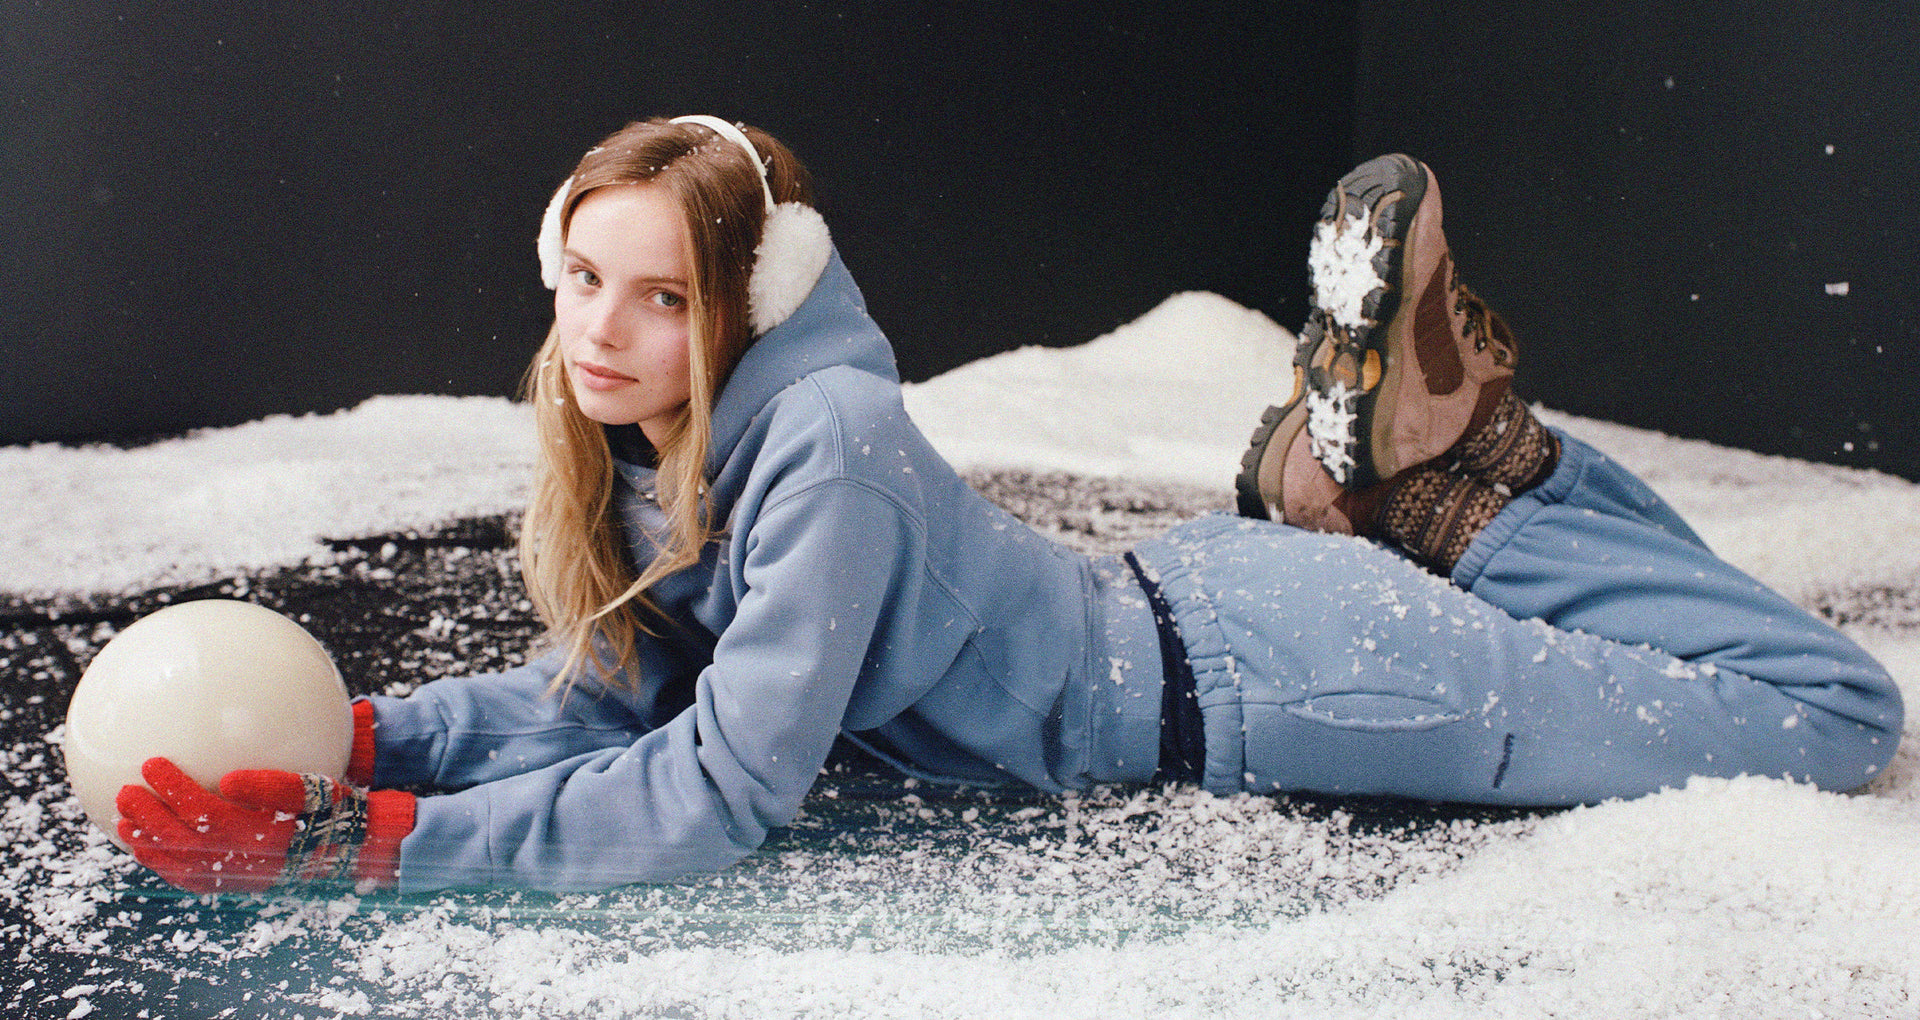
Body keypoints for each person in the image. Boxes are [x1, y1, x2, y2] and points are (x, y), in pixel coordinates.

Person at [115, 116, 1903, 896]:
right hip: (1217, 614)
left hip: (1300, 680)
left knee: (1827, 713)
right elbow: (623, 695)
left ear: (750, 302)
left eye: (660, 297)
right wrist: (372, 743)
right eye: (584, 279)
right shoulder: (675, 437)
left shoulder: (825, 445)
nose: (600, 331)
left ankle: (1472, 479)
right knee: (1678, 668)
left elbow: (720, 787)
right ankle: (1397, 486)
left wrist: (374, 847)